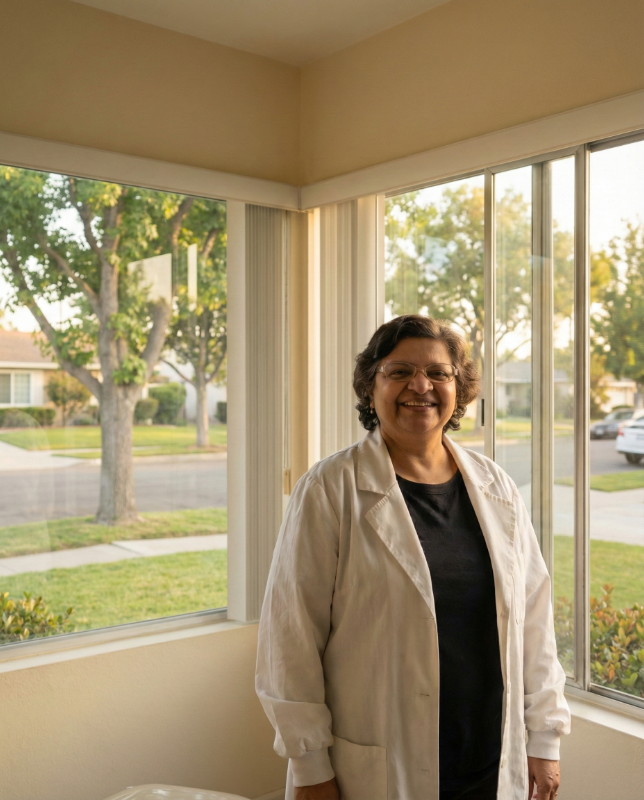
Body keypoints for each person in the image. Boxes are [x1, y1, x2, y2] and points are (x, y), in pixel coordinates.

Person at [256, 315, 570, 800]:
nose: (420, 385)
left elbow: (533, 619)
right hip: (380, 767)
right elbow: (289, 638)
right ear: (371, 386)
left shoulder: (496, 488)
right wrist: (310, 766)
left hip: (490, 758)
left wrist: (545, 737)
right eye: (399, 370)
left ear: (458, 388)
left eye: (439, 373)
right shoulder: (328, 489)